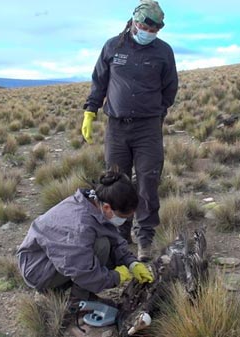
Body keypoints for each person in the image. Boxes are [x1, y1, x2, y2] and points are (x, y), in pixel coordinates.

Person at [81, 0, 178, 261]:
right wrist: (90, 111)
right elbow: (99, 81)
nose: (148, 31)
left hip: (148, 128)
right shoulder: (113, 46)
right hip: (116, 128)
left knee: (148, 181)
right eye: (145, 26)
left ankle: (144, 239)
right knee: (116, 182)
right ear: (134, 22)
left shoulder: (164, 52)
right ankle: (118, 239)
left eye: (154, 29)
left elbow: (170, 88)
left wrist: (158, 112)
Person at [16, 168, 154, 302]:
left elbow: (114, 240)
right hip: (39, 270)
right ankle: (77, 301)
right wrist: (116, 277)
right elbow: (83, 272)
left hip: (56, 257)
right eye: (124, 216)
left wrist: (131, 263)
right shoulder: (80, 227)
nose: (125, 221)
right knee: (102, 246)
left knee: (105, 245)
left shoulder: (94, 203)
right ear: (107, 207)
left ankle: (69, 289)